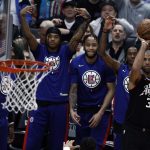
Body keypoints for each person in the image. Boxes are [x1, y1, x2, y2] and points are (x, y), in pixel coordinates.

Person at [20, 5, 91, 150]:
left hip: (60, 105)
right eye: (50, 37)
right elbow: (28, 35)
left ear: (60, 39)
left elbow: (77, 37)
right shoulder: (40, 50)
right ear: (45, 38)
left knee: (57, 145)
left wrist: (87, 21)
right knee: (31, 143)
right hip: (39, 104)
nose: (52, 39)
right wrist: (22, 17)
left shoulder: (65, 52)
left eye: (56, 37)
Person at [69, 33, 116, 150]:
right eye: (88, 45)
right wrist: (71, 109)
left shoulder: (106, 63)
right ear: (83, 46)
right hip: (82, 112)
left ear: (98, 46)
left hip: (101, 112)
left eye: (94, 45)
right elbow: (73, 89)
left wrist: (100, 113)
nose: (91, 48)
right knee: (80, 145)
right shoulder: (75, 62)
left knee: (97, 147)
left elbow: (112, 89)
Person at [99, 16, 138, 150]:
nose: (133, 56)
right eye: (130, 54)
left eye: (135, 54)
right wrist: (105, 31)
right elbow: (102, 53)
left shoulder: (144, 73)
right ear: (126, 56)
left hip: (138, 118)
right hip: (120, 117)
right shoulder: (120, 68)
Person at [122, 38, 150, 149]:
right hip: (133, 130)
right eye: (144, 59)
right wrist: (143, 45)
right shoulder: (137, 80)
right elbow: (135, 69)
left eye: (149, 59)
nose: (147, 62)